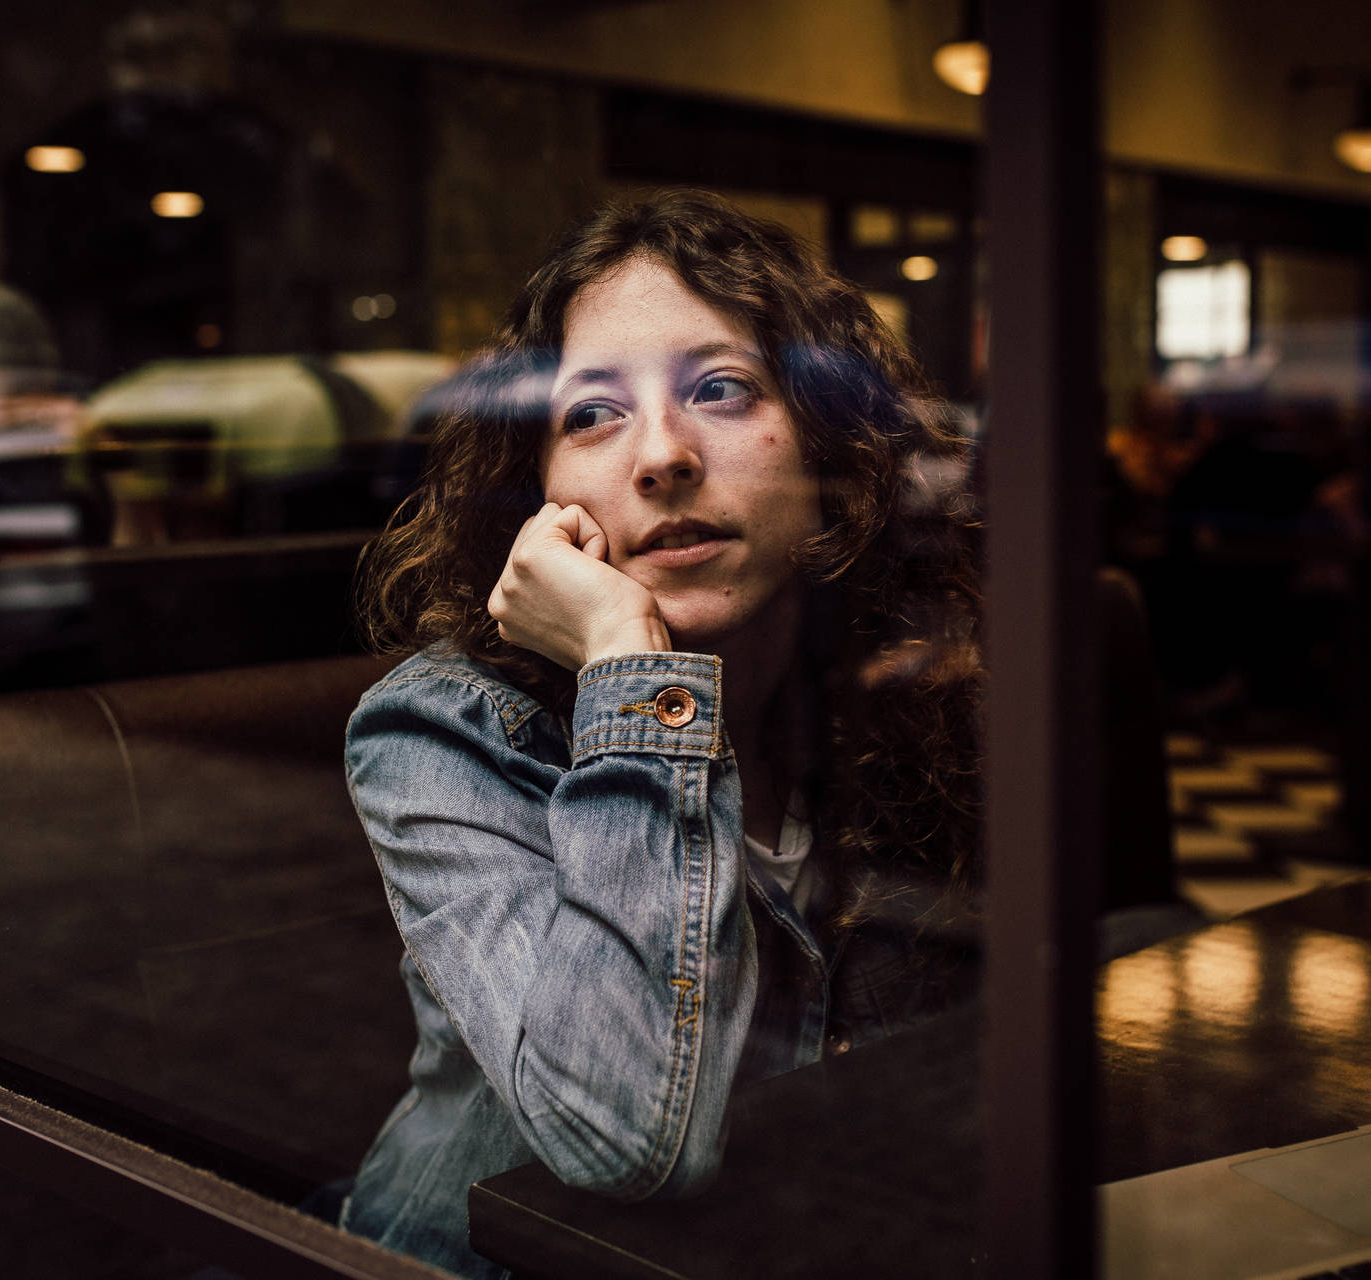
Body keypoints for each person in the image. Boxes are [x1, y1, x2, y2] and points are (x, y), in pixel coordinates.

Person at [339, 191, 983, 1277]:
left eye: (721, 390)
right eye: (591, 413)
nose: (663, 456)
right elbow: (626, 1138)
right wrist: (631, 667)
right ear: (538, 495)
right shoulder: (438, 728)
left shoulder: (890, 696)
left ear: (831, 472)